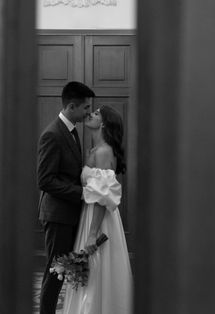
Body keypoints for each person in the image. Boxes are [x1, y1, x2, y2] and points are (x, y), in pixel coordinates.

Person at [62, 105, 133, 314]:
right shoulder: (96, 149)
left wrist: (93, 234)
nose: (90, 114)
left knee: (96, 272)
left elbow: (103, 197)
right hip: (90, 213)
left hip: (98, 218)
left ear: (102, 123)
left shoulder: (103, 152)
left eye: (95, 113)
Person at [37, 81, 95, 314]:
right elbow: (45, 180)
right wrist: (82, 193)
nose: (88, 112)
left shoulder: (71, 131)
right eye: (85, 108)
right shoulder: (52, 134)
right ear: (72, 106)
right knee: (55, 271)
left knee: (69, 270)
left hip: (70, 214)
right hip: (58, 216)